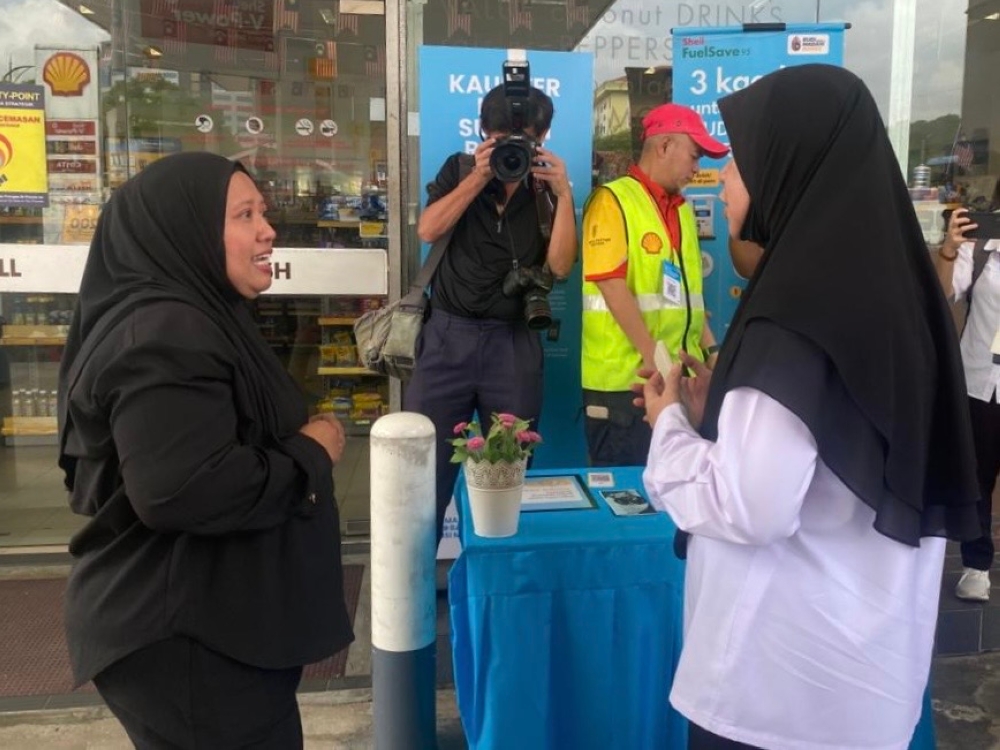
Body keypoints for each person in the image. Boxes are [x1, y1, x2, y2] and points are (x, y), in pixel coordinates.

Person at [636, 65, 980, 750]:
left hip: (773, 692)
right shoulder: (901, 301)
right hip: (866, 684)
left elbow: (753, 506)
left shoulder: (792, 321)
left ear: (789, 166)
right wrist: (721, 427)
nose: (725, 184)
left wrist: (670, 427)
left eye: (739, 164)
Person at [57, 152, 354, 748]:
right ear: (183, 230)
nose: (267, 230)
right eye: (245, 215)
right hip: (191, 646)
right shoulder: (164, 333)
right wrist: (311, 453)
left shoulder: (191, 316)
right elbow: (182, 490)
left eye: (263, 212)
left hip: (211, 631)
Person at [406, 84, 577, 542]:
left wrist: (564, 195)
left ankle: (496, 593)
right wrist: (478, 178)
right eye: (504, 143)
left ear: (542, 138)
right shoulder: (460, 170)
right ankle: (416, 593)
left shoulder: (545, 188)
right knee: (425, 479)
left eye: (526, 144)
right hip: (446, 339)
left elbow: (560, 266)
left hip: (513, 343)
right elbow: (428, 229)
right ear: (484, 134)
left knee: (506, 479)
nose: (515, 153)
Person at [580, 103, 727, 467]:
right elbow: (611, 285)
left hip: (678, 383)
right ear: (663, 147)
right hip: (625, 389)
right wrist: (656, 363)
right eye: (694, 157)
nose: (698, 169)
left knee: (678, 499)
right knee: (629, 505)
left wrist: (713, 353)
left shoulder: (681, 210)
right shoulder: (611, 200)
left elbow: (689, 299)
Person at [934, 176, 1000, 601]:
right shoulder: (982, 244)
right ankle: (977, 564)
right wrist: (949, 248)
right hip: (980, 381)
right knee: (977, 477)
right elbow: (941, 297)